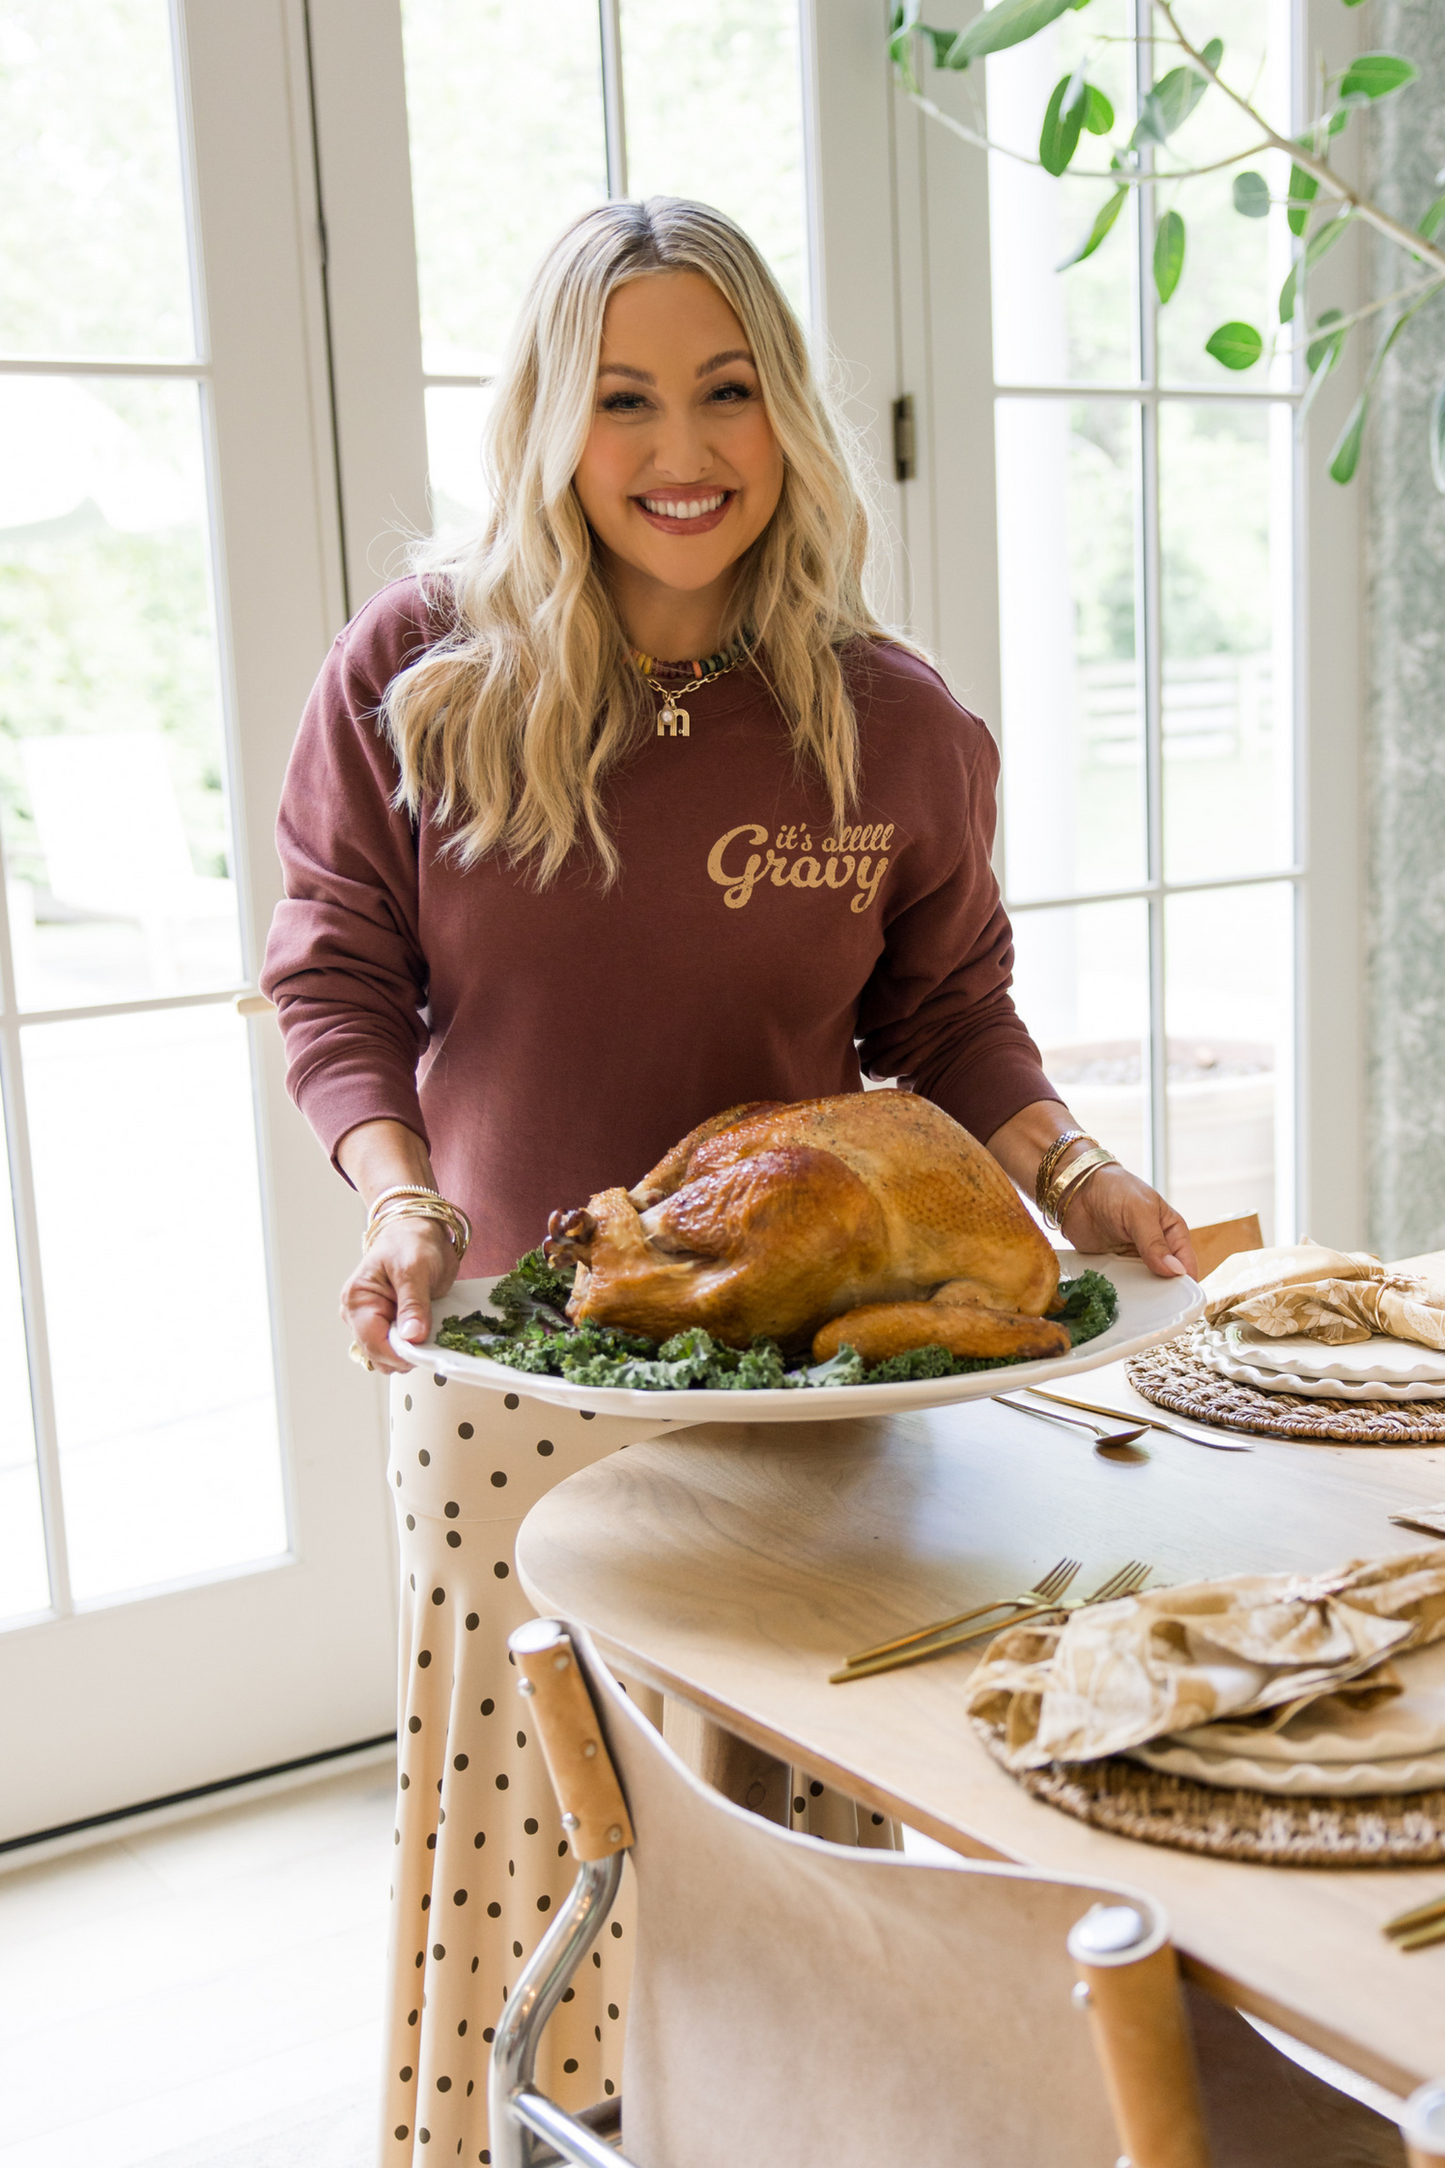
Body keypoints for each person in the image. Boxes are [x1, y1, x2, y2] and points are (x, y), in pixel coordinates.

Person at [261, 194, 1196, 2166]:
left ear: (786, 415)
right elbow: (333, 972)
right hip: (509, 1381)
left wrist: (1082, 1173)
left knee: (795, 1865)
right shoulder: (412, 673)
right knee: (543, 1849)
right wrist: (400, 1201)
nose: (678, 454)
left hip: (814, 1408)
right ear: (546, 421)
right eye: (620, 401)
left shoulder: (892, 722)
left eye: (723, 391)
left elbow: (949, 1019)